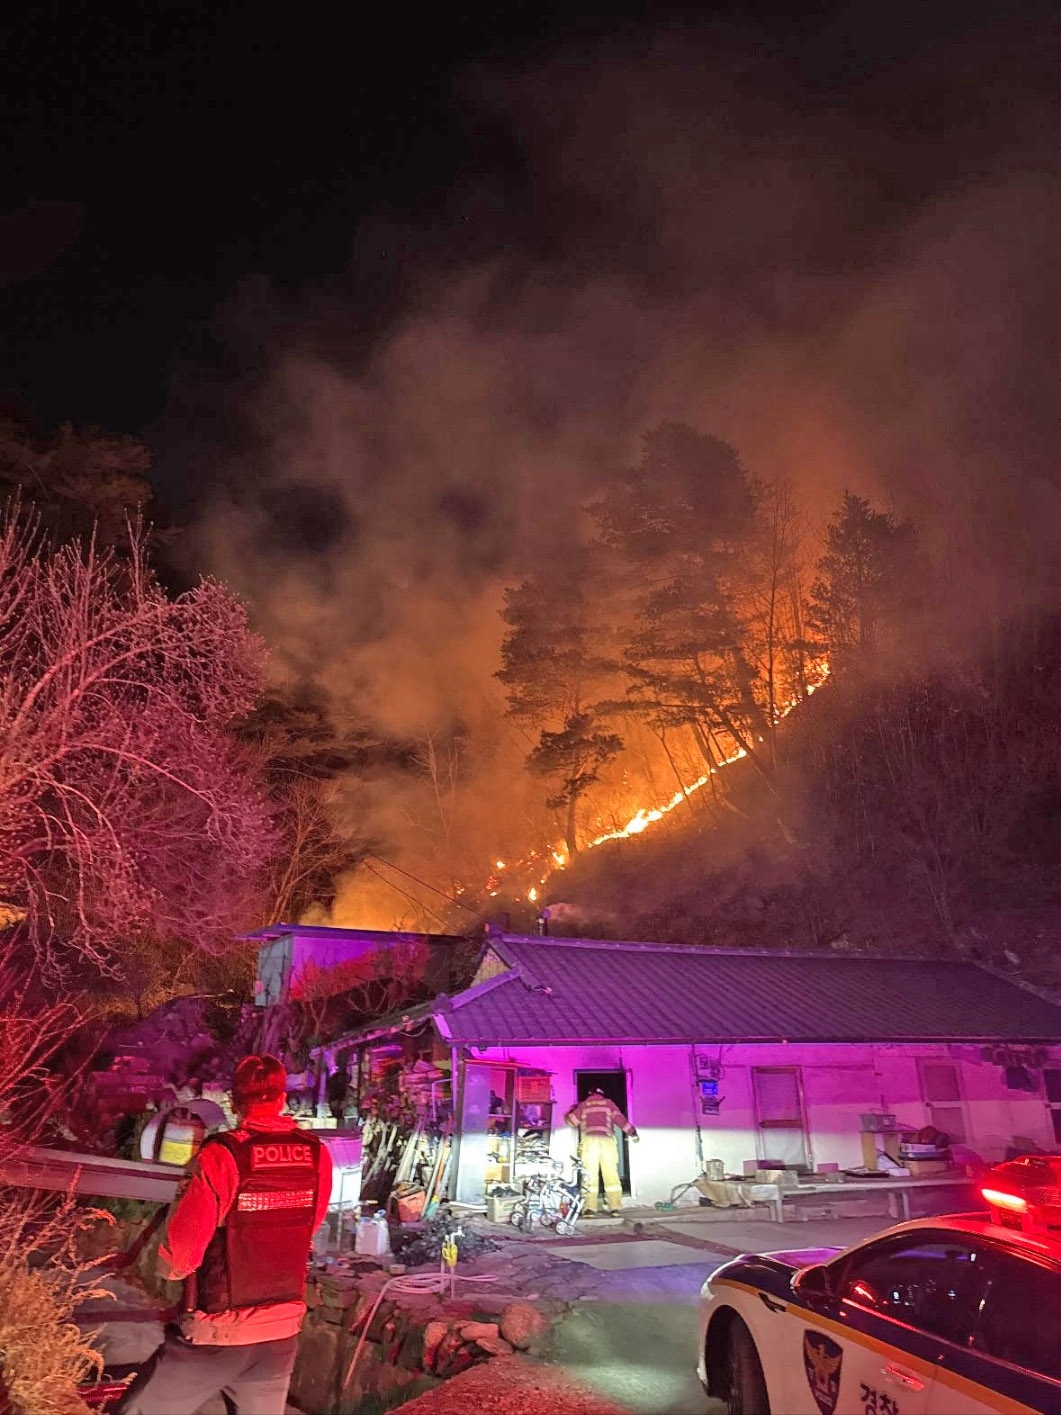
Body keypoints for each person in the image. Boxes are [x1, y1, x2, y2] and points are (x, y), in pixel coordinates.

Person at [118, 1054, 333, 1415]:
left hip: (219, 1333)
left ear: (234, 1102)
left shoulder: (222, 1155)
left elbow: (180, 1257)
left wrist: (167, 1271)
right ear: (282, 1099)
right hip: (280, 1334)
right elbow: (308, 1226)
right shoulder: (317, 1155)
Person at [565, 1087, 639, 1217]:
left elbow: (572, 1122)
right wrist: (632, 1132)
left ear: (590, 1094)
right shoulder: (609, 1104)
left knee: (589, 1175)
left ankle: (589, 1209)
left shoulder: (584, 1105)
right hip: (607, 1142)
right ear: (602, 1094)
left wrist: (570, 1111)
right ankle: (614, 1208)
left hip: (589, 1142)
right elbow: (620, 1120)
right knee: (611, 1174)